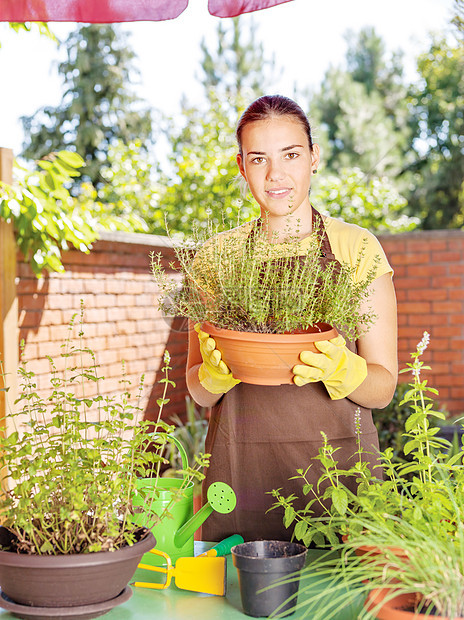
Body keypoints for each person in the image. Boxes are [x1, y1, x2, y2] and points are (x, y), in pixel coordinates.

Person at [186, 95, 397, 542]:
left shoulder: (356, 248)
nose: (275, 174)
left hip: (340, 483)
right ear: (241, 166)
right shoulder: (215, 259)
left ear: (314, 157)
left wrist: (345, 369)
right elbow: (197, 391)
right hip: (241, 481)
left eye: (291, 154)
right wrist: (213, 374)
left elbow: (383, 388)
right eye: (259, 158)